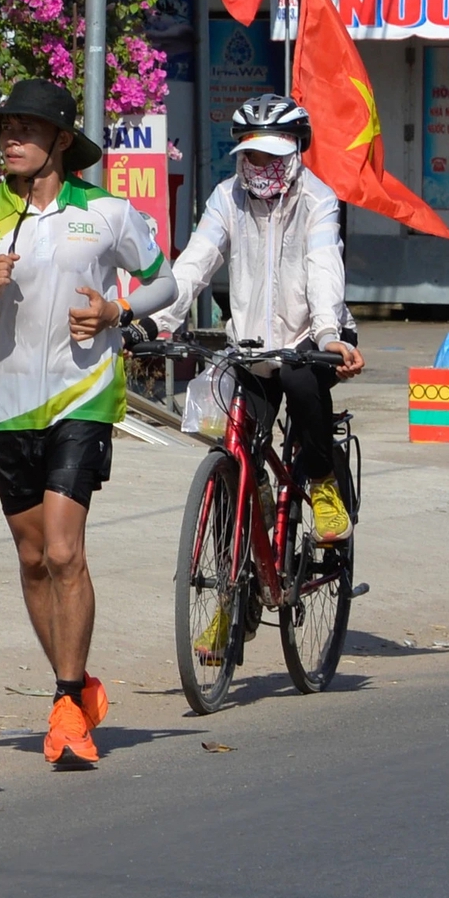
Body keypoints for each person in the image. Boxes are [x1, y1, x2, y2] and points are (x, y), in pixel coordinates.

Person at [0, 79, 178, 769]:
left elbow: (164, 279)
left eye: (24, 127)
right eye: (4, 128)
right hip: (6, 406)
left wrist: (118, 313)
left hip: (84, 396)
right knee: (31, 555)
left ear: (60, 141)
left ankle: (67, 699)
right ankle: (77, 689)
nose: (8, 139)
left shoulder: (105, 212)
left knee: (65, 550)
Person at [151, 94, 366, 556]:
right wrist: (155, 323)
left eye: (273, 153)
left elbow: (324, 266)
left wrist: (328, 334)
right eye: (252, 153)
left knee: (300, 379)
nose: (261, 164)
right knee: (235, 452)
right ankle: (233, 598)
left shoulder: (318, 199)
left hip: (315, 337)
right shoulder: (226, 198)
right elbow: (194, 264)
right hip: (252, 344)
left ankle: (324, 484)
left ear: (295, 151)